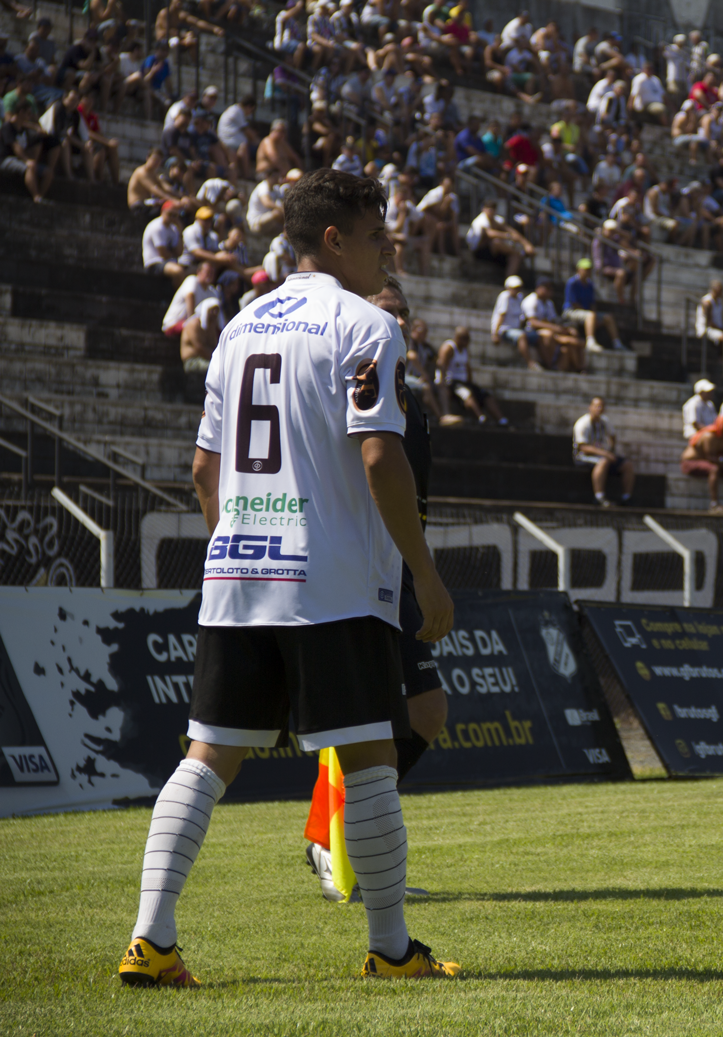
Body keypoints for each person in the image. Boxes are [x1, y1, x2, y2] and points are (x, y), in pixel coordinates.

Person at [117, 169, 457, 988]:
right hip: (333, 581)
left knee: (204, 760)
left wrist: (239, 548)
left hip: (237, 574)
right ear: (335, 240)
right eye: (377, 236)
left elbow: (204, 470)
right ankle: (390, 947)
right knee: (370, 757)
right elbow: (381, 454)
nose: (387, 252)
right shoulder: (365, 324)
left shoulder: (237, 327)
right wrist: (425, 573)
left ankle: (151, 940)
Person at [301, 276, 448, 902]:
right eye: (386, 311)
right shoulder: (347, 387)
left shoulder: (413, 401)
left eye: (404, 313)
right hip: (356, 568)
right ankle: (334, 845)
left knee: (421, 713)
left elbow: (413, 500)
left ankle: (333, 840)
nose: (398, 322)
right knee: (383, 717)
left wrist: (419, 565)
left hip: (399, 569)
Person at [436, 325, 507, 426]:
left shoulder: (465, 350)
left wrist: (470, 382)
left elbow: (467, 367)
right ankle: (481, 417)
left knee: (485, 395)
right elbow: (442, 365)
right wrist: (442, 383)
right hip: (452, 382)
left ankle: (502, 420)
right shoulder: (449, 348)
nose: (467, 342)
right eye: (465, 339)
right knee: (466, 394)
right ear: (458, 338)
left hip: (464, 382)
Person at [681, 414, 723, 513]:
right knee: (714, 469)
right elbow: (710, 459)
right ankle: (714, 504)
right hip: (690, 463)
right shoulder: (709, 436)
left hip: (707, 463)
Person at [574, 396, 634, 507]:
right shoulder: (583, 423)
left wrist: (610, 449)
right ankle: (599, 497)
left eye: (601, 406)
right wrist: (605, 454)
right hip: (583, 456)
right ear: (590, 407)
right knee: (604, 461)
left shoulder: (605, 421)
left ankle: (626, 497)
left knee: (627, 464)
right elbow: (583, 447)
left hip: (602, 455)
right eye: (596, 406)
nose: (599, 409)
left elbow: (613, 435)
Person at [562, 258, 624, 352]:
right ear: (579, 270)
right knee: (591, 315)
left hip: (588, 313)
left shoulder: (590, 284)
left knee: (608, 317)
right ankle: (590, 342)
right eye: (585, 269)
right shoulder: (572, 283)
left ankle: (617, 343)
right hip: (570, 311)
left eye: (589, 270)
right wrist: (592, 316)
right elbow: (574, 304)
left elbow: (592, 304)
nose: (588, 272)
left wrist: (594, 315)